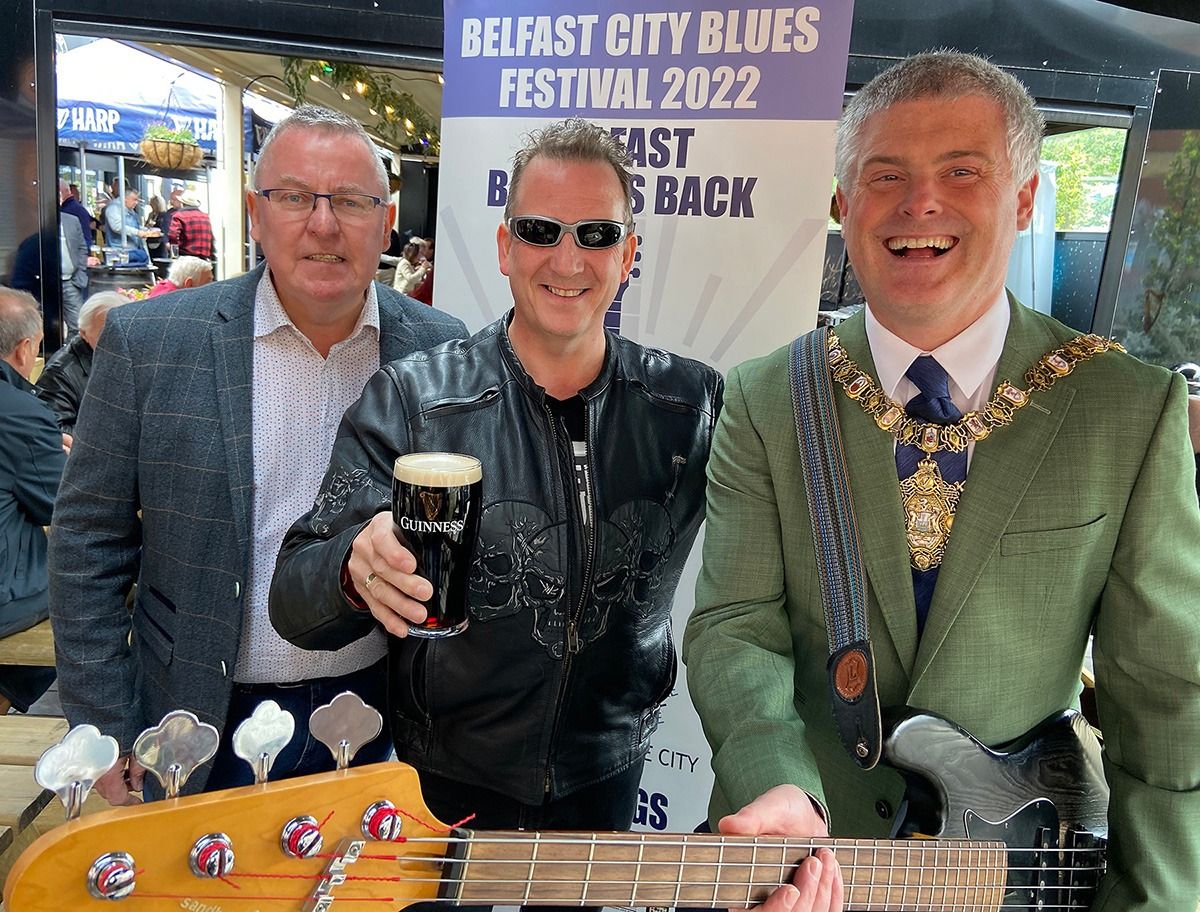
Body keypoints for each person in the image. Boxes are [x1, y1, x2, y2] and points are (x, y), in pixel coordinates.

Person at [683, 50, 1200, 912]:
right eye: (885, 176)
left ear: (1026, 197)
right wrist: (775, 785)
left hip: (1016, 874)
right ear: (845, 208)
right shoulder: (766, 395)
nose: (919, 202)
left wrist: (1158, 899)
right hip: (803, 870)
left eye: (962, 171)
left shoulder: (1126, 409)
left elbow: (1168, 698)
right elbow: (737, 625)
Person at [271, 118, 723, 836]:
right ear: (506, 247)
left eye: (596, 235)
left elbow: (766, 572)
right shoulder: (415, 400)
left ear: (628, 254)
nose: (567, 259)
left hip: (607, 773)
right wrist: (353, 568)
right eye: (542, 231)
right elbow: (292, 600)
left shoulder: (690, 406)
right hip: (445, 780)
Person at [48, 104, 467, 803]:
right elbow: (88, 541)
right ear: (257, 211)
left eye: (353, 202)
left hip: (378, 721)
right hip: (192, 723)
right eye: (296, 197)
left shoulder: (437, 347)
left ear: (387, 222)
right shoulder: (151, 344)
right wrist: (105, 727)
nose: (324, 224)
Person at [0, 288, 67, 715]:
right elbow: (62, 504)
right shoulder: (18, 410)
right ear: (25, 349)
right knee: (94, 587)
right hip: (7, 600)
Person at [35, 290, 129, 433]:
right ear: (83, 333)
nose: (119, 341)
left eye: (126, 332)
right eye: (106, 334)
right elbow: (54, 431)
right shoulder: (60, 374)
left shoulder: (136, 356)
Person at [168, 191, 215, 262]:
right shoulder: (205, 217)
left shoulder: (179, 216)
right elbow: (211, 238)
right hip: (204, 260)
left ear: (182, 203)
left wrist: (175, 255)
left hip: (186, 258)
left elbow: (173, 236)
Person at [147, 256, 213, 298]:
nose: (212, 285)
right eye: (208, 281)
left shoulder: (161, 289)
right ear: (189, 284)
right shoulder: (174, 302)